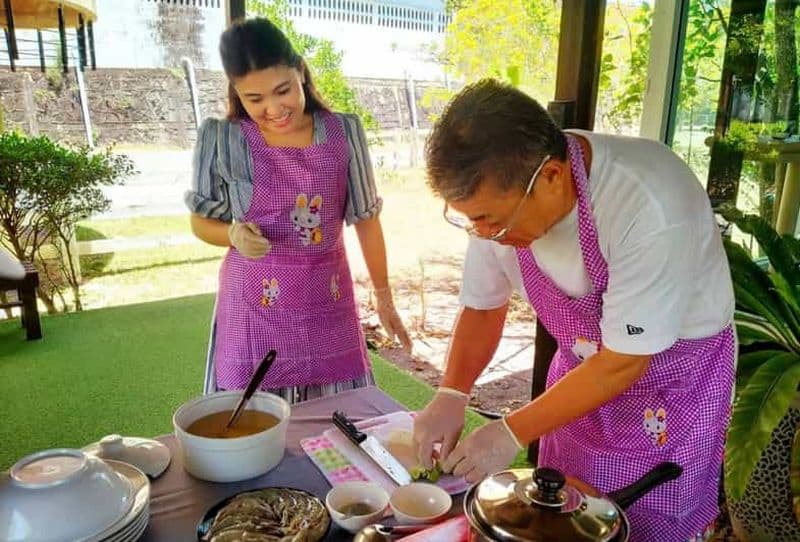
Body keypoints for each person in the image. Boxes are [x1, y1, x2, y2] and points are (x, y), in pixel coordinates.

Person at [412, 79, 735, 542]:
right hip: (580, 382)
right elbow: (483, 308)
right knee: (558, 518)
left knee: (647, 524)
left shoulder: (649, 203)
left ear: (552, 177)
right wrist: (453, 393)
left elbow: (624, 359)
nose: (484, 233)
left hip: (670, 388)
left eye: (493, 221)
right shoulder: (496, 204)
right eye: (471, 219)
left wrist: (508, 432)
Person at [185, 17, 411, 404]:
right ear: (236, 93)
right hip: (253, 310)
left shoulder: (344, 132)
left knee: (337, 423)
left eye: (282, 90)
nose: (273, 108)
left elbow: (366, 219)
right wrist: (233, 235)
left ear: (300, 72)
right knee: (251, 426)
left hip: (327, 301)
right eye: (254, 99)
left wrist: (383, 295)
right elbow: (201, 221)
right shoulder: (223, 139)